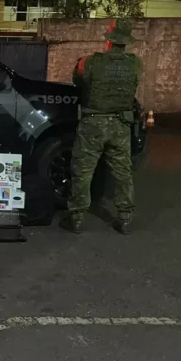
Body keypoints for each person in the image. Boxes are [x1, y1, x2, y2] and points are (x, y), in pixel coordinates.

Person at [60, 19, 142, 235]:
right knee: (122, 171)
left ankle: (77, 217)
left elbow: (78, 82)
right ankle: (125, 218)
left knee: (83, 170)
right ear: (127, 40)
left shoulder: (90, 62)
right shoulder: (135, 64)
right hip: (120, 125)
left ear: (108, 39)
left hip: (93, 124)